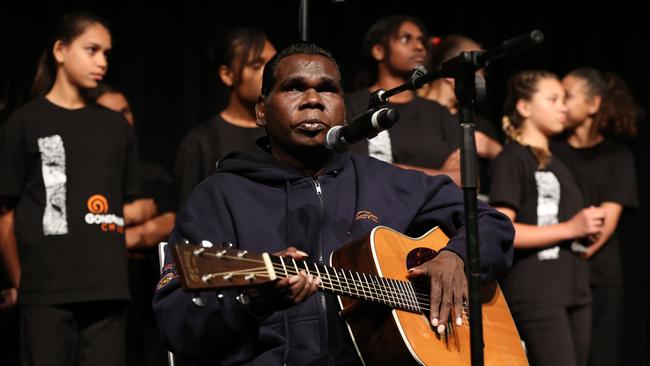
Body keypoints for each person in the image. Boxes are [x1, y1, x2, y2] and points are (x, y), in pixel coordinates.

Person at [153, 42, 515, 365]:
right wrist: (250, 303)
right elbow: (178, 323)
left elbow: (491, 222)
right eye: (294, 87)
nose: (312, 99)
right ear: (261, 110)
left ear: (344, 108)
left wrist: (457, 257)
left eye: (327, 89)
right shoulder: (220, 196)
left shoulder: (389, 182)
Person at [0, 12, 139, 366]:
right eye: (92, 50)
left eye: (107, 53)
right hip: (46, 291)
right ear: (60, 50)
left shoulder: (115, 127)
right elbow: (6, 216)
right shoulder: (25, 122)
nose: (102, 61)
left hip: (106, 288)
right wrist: (22, 283)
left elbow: (127, 203)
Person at [489, 70, 606, 366]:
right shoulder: (512, 158)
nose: (563, 107)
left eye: (565, 99)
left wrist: (585, 228)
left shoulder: (559, 165)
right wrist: (570, 227)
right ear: (524, 107)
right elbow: (503, 230)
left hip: (574, 288)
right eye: (553, 99)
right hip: (537, 292)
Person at [551, 68, 640, 366]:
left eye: (568, 96)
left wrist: (570, 250)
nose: (561, 103)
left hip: (598, 278)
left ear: (593, 104)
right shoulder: (550, 152)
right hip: (557, 276)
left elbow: (605, 223)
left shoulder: (617, 157)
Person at [94, 84, 175, 366]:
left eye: (125, 111)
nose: (122, 119)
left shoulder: (152, 173)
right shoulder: (88, 178)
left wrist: (120, 232)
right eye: (111, 112)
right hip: (101, 293)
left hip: (146, 295)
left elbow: (169, 221)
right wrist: (132, 215)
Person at [174, 28, 276, 207]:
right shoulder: (200, 142)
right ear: (227, 75)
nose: (271, 73)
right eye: (257, 65)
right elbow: (188, 216)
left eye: (274, 63)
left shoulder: (284, 132)